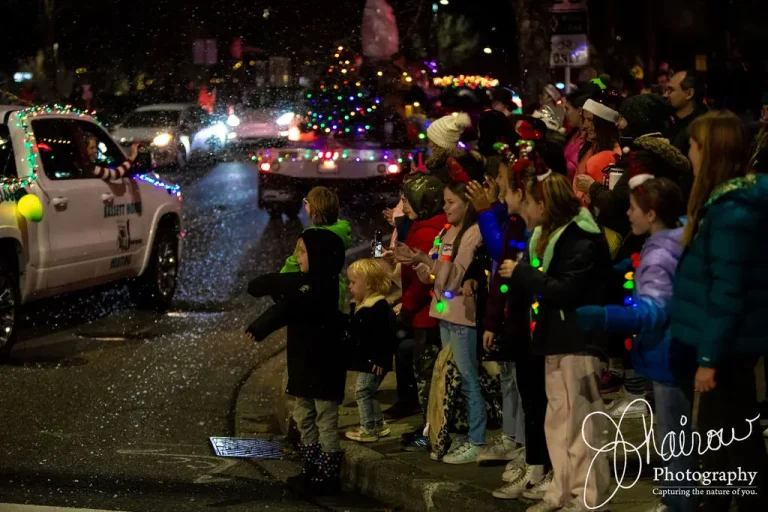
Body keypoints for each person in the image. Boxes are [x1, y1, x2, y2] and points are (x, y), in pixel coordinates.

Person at [577, 176, 698, 512]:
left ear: (652, 213)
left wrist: (603, 317)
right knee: (678, 432)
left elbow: (653, 311)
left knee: (673, 435)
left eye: (633, 208)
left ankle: (679, 501)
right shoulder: (677, 237)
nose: (628, 214)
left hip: (667, 353)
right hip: (679, 349)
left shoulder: (659, 254)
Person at [669, 110, 768, 512]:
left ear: (709, 152)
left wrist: (708, 359)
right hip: (724, 344)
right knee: (725, 445)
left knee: (734, 447)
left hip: (727, 348)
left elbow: (727, 292)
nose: (689, 154)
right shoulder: (725, 204)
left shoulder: (732, 211)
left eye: (694, 146)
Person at [499, 171, 611, 512]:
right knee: (559, 423)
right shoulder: (548, 240)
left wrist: (523, 273)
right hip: (555, 339)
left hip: (578, 340)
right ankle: (560, 493)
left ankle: (587, 498)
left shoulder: (580, 239)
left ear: (544, 205)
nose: (527, 208)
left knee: (581, 425)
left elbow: (566, 290)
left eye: (532, 202)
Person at [245, 229, 347, 495]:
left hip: (323, 366)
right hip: (303, 366)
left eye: (303, 252)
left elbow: (289, 302)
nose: (298, 257)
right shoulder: (304, 285)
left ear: (320, 257)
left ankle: (328, 475)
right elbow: (285, 299)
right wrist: (261, 323)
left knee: (325, 419)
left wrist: (262, 322)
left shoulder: (320, 287)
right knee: (304, 416)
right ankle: (311, 468)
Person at [397, 180, 485, 464]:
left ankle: (478, 440)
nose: (445, 208)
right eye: (444, 202)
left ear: (467, 205)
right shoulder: (446, 231)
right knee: (451, 379)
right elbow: (433, 274)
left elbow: (456, 277)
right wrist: (417, 261)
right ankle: (458, 434)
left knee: (467, 377)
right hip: (444, 313)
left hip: (461, 316)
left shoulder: (473, 233)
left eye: (451, 202)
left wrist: (427, 260)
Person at [484, 149, 553, 499]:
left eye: (506, 186)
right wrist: (494, 320)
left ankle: (546, 469)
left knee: (542, 402)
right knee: (530, 399)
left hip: (542, 329)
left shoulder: (541, 231)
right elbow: (503, 273)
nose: (501, 192)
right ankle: (535, 465)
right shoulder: (516, 227)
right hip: (521, 328)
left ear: (521, 192)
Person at [394, 175, 447, 451]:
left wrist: (407, 307)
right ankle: (429, 426)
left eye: (407, 200)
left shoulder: (427, 232)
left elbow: (420, 280)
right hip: (425, 312)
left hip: (426, 314)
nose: (403, 205)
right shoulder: (424, 226)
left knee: (427, 377)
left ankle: (431, 430)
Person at [344, 259, 398, 443]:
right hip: (369, 360)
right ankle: (378, 425)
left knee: (362, 392)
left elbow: (385, 335)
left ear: (368, 284)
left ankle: (368, 429)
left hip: (374, 362)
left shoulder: (378, 308)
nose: (350, 286)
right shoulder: (365, 305)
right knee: (369, 392)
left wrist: (380, 358)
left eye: (353, 282)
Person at [280, 186, 352, 310]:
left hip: (313, 294)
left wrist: (279, 283)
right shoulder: (341, 230)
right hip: (335, 289)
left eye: (306, 202)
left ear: (312, 208)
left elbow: (294, 263)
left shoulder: (311, 236)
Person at [573, 98, 621, 207]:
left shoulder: (615, 156)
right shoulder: (588, 149)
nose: (584, 126)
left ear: (603, 123)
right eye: (584, 119)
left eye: (590, 120)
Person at [664, 69, 707, 158]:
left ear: (689, 94)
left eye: (671, 90)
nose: (665, 95)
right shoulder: (672, 122)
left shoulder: (701, 130)